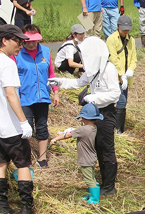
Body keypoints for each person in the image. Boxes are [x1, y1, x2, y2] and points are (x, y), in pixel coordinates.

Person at [49, 37, 121, 196]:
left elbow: (115, 94)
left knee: (106, 149)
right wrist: (59, 82)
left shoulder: (108, 69)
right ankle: (103, 182)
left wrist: (94, 98)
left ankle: (109, 186)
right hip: (94, 113)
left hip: (106, 113)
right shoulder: (93, 69)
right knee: (97, 147)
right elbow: (78, 83)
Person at [0, 25, 35, 214]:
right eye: (17, 41)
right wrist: (23, 122)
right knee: (23, 164)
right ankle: (27, 207)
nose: (20, 45)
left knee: (0, 163)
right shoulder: (8, 63)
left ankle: (1, 205)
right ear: (4, 40)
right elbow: (11, 94)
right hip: (12, 127)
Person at [12, 24, 59, 168]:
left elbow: (51, 74)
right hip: (25, 97)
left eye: (34, 41)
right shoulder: (17, 54)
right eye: (28, 41)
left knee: (42, 127)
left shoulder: (45, 52)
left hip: (42, 96)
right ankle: (25, 158)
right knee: (26, 128)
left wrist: (55, 91)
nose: (32, 44)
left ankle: (42, 158)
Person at [49, 103, 102, 204]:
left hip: (85, 159)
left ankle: (95, 199)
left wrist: (55, 139)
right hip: (92, 157)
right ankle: (92, 194)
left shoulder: (83, 129)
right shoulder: (93, 128)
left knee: (88, 179)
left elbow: (67, 135)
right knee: (91, 177)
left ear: (84, 118)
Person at [106, 15, 136, 134]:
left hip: (126, 77)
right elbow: (113, 58)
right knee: (121, 101)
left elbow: (133, 57)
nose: (125, 32)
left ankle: (118, 129)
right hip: (115, 77)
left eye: (127, 30)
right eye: (123, 29)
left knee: (123, 101)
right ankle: (118, 131)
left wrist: (130, 70)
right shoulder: (111, 39)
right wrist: (121, 74)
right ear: (118, 27)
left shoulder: (131, 40)